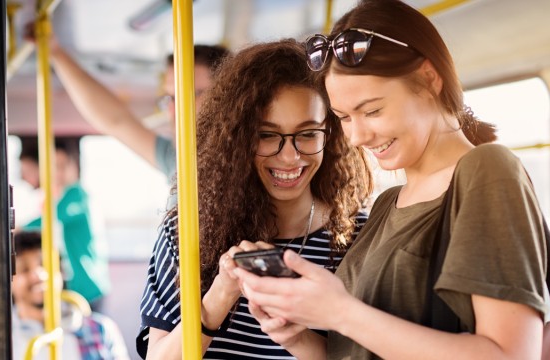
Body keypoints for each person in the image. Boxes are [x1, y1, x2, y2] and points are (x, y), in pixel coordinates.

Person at [236, 1, 547, 359]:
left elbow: (511, 355)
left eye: (372, 111)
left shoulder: (486, 170)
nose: (356, 137)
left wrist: (339, 312)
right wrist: (297, 336)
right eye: (344, 118)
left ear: (429, 79)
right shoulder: (388, 204)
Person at [137, 39, 372, 359]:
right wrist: (221, 294)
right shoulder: (185, 231)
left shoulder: (360, 236)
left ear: (329, 136)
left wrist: (296, 336)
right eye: (267, 135)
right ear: (237, 139)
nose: (290, 156)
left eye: (307, 133)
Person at [26, 24, 229, 178]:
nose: (174, 109)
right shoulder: (179, 160)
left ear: (228, 97)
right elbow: (116, 121)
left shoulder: (251, 163)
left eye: (189, 95)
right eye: (170, 98)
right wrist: (55, 53)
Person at [11, 231, 129, 360]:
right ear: (8, 282)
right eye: (24, 269)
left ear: (61, 272)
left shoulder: (99, 330)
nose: (38, 275)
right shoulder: (1, 339)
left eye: (45, 265)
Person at [25, 139, 110, 312]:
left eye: (63, 166)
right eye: (54, 167)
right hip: (79, 284)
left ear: (74, 167)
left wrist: (17, 229)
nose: (58, 173)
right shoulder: (60, 198)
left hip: (88, 285)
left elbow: (50, 218)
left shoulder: (77, 195)